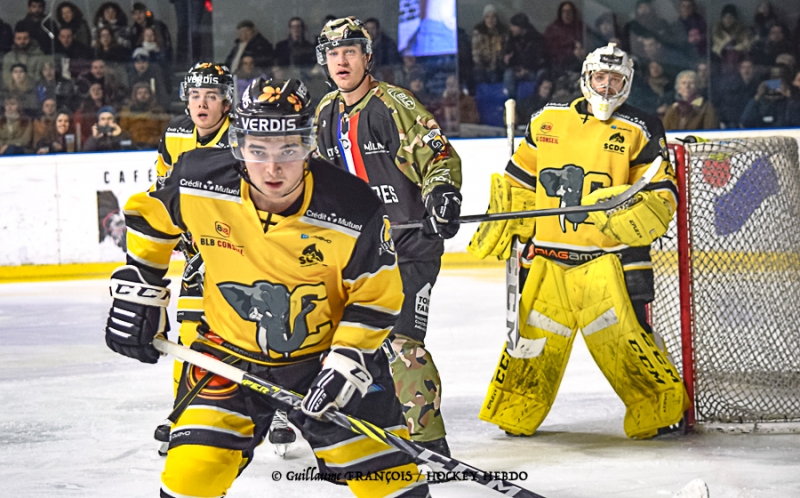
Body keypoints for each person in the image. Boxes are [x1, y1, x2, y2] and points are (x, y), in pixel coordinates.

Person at [103, 75, 430, 498]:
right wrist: (141, 286)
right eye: (258, 151)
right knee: (191, 477)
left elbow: (376, 298)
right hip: (227, 357)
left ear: (309, 146)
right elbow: (150, 219)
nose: (272, 169)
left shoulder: (354, 205)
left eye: (288, 150)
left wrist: (347, 360)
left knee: (392, 485)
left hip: (324, 361)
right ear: (238, 146)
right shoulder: (198, 178)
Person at [469, 43, 687, 440]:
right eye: (600, 78)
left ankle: (659, 411)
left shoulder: (641, 127)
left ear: (627, 83)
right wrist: (511, 218)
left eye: (615, 80)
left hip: (612, 260)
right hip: (548, 259)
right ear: (586, 78)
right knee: (533, 341)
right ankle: (518, 408)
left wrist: (640, 212)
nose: (606, 87)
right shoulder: (547, 120)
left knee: (628, 341)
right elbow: (520, 180)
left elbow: (660, 190)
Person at [315, 17, 462, 457]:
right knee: (325, 335)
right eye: (333, 53)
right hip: (358, 253)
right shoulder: (326, 112)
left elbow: (439, 157)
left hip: (410, 247)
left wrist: (441, 195)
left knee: (401, 342)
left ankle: (430, 444)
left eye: (350, 51)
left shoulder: (392, 105)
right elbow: (317, 179)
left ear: (367, 57)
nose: (342, 61)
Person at [149, 62, 235, 456]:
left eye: (211, 96)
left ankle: (279, 410)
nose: (202, 103)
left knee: (256, 330)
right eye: (196, 95)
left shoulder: (242, 138)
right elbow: (161, 189)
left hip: (244, 252)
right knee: (189, 330)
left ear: (226, 102)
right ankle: (183, 412)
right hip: (199, 254)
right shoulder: (176, 134)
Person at [502, 13, 546, 99]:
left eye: (513, 26)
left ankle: (537, 100)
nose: (511, 29)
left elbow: (540, 59)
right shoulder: (512, 39)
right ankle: (512, 102)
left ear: (520, 26)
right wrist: (507, 60)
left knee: (541, 74)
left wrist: (527, 69)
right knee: (508, 75)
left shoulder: (536, 39)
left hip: (533, 70)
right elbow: (509, 55)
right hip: (518, 69)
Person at [118, 81, 168, 148]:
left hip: (154, 146)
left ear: (150, 95)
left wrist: (155, 141)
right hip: (133, 147)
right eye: (139, 93)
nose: (143, 95)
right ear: (135, 95)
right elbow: (123, 130)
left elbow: (164, 131)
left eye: (145, 93)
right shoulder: (127, 112)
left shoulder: (158, 112)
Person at [715, 59, 759, 128]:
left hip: (752, 124)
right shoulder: (732, 86)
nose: (746, 70)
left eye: (749, 67)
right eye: (744, 67)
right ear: (740, 70)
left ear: (754, 69)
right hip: (734, 124)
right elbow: (727, 107)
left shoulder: (758, 86)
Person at [544, 2, 583, 78]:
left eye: (569, 11)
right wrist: (571, 53)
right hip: (559, 67)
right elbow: (551, 51)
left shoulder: (580, 28)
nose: (567, 14)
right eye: (564, 11)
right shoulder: (552, 30)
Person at [472, 4, 507, 85]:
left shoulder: (501, 33)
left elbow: (502, 50)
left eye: (493, 17)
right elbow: (475, 53)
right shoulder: (478, 32)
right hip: (482, 66)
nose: (490, 20)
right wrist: (481, 64)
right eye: (487, 17)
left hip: (497, 65)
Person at [712, 5, 752, 74]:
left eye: (730, 17)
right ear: (722, 18)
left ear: (735, 19)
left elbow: (746, 44)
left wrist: (735, 48)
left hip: (738, 59)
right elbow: (716, 46)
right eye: (725, 17)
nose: (728, 20)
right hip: (721, 59)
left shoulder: (741, 30)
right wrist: (728, 40)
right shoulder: (717, 30)